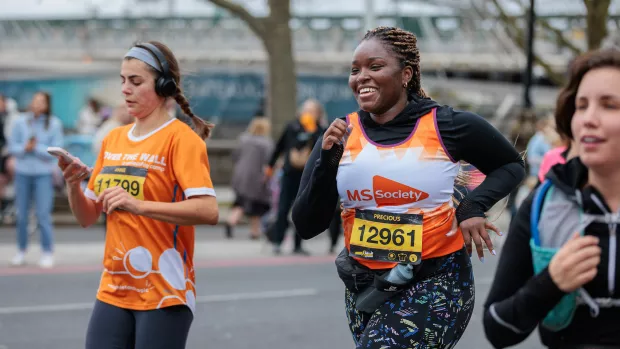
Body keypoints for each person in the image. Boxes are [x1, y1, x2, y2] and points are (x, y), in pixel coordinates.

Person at [292, 26, 525, 348]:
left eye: (375, 67)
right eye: (355, 70)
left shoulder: (448, 125)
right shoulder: (341, 134)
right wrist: (327, 164)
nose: (362, 77)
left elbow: (511, 165)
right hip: (364, 283)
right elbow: (306, 225)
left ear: (406, 75)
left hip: (436, 279)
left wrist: (472, 207)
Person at [58, 41, 218, 349]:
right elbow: (87, 217)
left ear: (163, 86)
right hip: (113, 287)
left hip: (164, 290)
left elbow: (209, 211)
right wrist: (73, 185)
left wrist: (137, 205)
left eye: (135, 81)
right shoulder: (112, 139)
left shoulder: (181, 140)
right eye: (122, 80)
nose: (125, 89)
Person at [483, 48, 620, 349]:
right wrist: (550, 283)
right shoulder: (543, 204)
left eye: (609, 105)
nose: (588, 119)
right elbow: (497, 328)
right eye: (581, 106)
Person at [8, 91, 64, 268]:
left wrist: (36, 148)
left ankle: (47, 251)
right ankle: (21, 250)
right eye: (35, 100)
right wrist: (25, 147)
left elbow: (56, 150)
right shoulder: (20, 122)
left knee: (43, 214)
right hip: (22, 172)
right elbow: (13, 147)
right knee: (22, 215)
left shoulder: (54, 124)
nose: (37, 104)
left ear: (47, 105)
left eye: (42, 102)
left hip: (43, 174)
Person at [265, 98, 325, 255]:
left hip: (307, 176)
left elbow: (321, 150)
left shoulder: (320, 130)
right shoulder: (292, 127)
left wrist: (313, 132)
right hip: (290, 174)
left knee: (301, 210)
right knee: (283, 208)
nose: (309, 114)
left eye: (313, 111)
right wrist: (270, 166)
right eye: (307, 111)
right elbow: (280, 147)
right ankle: (278, 241)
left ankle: (298, 245)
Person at [225, 117, 274, 239]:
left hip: (240, 175)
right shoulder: (267, 143)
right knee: (256, 204)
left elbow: (235, 156)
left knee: (241, 201)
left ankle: (231, 221)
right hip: (256, 177)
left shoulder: (243, 140)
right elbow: (269, 162)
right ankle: (255, 231)